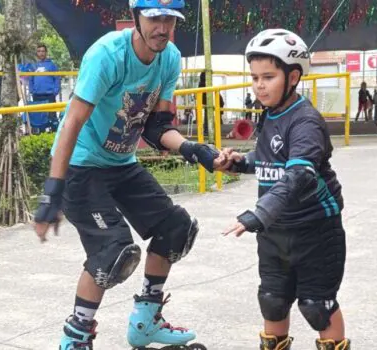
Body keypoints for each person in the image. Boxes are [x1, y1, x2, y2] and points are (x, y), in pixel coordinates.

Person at [32, 1, 228, 348]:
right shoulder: (107, 55)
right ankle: (75, 338)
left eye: (170, 20)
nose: (162, 28)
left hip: (121, 164)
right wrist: (53, 190)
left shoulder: (169, 59)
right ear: (137, 17)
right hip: (82, 165)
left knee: (176, 228)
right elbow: (72, 123)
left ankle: (145, 323)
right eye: (154, 18)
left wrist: (193, 149)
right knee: (113, 250)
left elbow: (156, 127)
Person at [221, 29, 349, 350]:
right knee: (273, 301)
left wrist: (259, 213)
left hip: (315, 231)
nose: (259, 85)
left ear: (292, 77)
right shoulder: (271, 114)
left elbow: (300, 174)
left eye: (268, 76)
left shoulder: (306, 121)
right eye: (254, 77)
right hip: (275, 233)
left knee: (316, 306)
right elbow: (270, 159)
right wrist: (239, 163)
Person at [29, 43, 61, 125]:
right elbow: (31, 79)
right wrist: (32, 90)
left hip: (49, 95)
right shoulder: (33, 65)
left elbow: (57, 78)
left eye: (43, 51)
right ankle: (41, 134)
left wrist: (55, 91)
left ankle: (52, 133)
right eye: (39, 51)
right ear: (37, 53)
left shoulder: (52, 65)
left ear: (46, 52)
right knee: (39, 118)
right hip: (37, 95)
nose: (41, 53)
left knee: (51, 117)